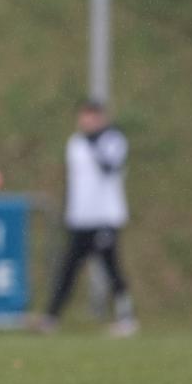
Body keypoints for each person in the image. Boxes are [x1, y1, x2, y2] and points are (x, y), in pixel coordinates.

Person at [39, 101, 138, 336]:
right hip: (79, 218)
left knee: (111, 267)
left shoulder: (113, 140)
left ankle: (127, 318)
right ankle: (51, 318)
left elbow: (109, 167)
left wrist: (94, 142)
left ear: (102, 118)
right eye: (84, 117)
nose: (86, 122)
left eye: (92, 117)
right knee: (68, 269)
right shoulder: (75, 143)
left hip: (105, 217)